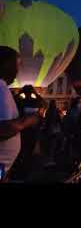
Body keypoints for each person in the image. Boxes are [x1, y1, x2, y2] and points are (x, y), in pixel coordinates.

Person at [0, 47, 43, 180]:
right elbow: (4, 129)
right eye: (17, 64)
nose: (18, 71)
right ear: (6, 64)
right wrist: (32, 119)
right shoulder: (0, 87)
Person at [44, 100, 63, 165]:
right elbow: (59, 120)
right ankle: (51, 159)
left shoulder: (48, 111)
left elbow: (46, 120)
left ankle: (48, 159)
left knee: (49, 145)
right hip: (55, 131)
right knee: (53, 145)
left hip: (48, 131)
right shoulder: (56, 111)